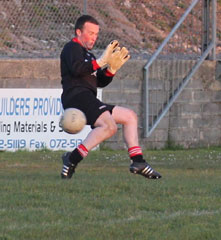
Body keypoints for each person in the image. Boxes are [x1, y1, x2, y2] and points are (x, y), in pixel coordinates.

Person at [59, 15, 161, 180]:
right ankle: (72, 158)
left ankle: (138, 161)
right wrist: (100, 62)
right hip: (77, 97)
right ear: (78, 32)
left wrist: (110, 70)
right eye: (90, 33)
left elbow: (99, 81)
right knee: (109, 127)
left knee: (129, 117)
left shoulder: (89, 55)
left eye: (96, 34)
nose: (94, 37)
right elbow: (78, 69)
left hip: (88, 97)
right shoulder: (71, 48)